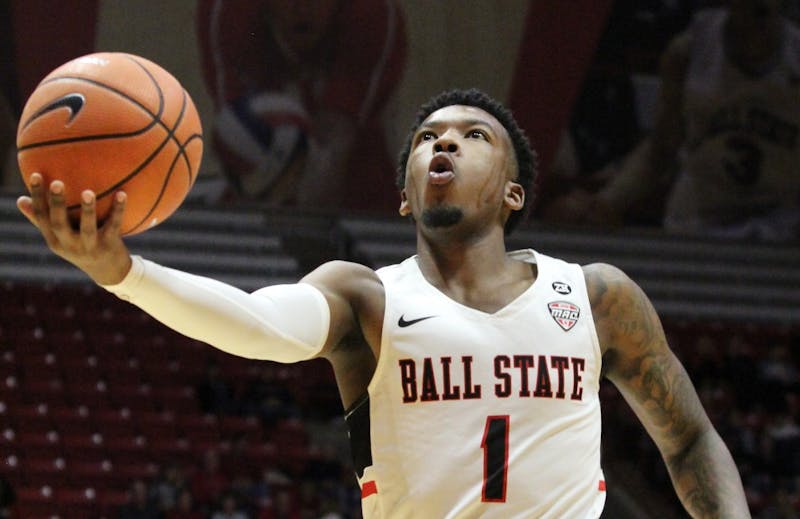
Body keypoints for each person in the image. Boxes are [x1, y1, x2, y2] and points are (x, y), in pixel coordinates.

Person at [17, 88, 750, 517]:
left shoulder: (595, 295)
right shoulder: (364, 296)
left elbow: (688, 438)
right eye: (428, 137)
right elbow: (256, 326)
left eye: (472, 136)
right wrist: (123, 269)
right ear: (403, 194)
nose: (445, 144)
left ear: (514, 190)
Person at [544, 0, 800, 240]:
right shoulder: (689, 50)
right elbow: (661, 151)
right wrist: (602, 203)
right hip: (699, 223)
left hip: (780, 227)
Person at [196, 0, 406, 211]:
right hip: (262, 189)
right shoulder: (228, 13)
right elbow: (236, 139)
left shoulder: (371, 15)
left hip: (362, 192)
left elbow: (333, 151)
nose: (303, 8)